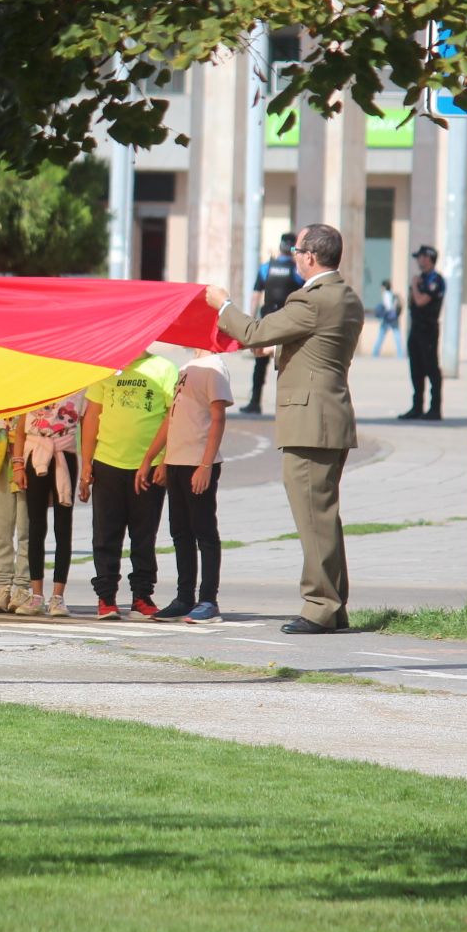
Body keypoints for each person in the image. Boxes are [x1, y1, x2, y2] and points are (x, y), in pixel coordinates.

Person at [207, 222, 364, 634]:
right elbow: (315, 344)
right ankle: (334, 603)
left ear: (310, 256)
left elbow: (252, 331)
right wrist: (278, 345)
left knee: (313, 516)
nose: (293, 257)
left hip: (309, 421)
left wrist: (223, 306)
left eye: (296, 250)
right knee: (324, 515)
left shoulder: (311, 299)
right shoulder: (344, 296)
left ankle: (320, 605)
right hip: (330, 417)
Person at [81, 353, 178, 619]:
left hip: (148, 466)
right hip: (107, 462)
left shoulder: (165, 368)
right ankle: (106, 597)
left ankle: (142, 597)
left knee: (144, 535)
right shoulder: (104, 365)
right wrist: (86, 463)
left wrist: (164, 462)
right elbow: (92, 416)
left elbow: (174, 416)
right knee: (105, 534)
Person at [139, 351, 233, 622]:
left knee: (204, 532)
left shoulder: (214, 367)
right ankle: (184, 597)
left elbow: (218, 418)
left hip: (198, 463)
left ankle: (208, 599)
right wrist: (154, 459)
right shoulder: (186, 367)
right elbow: (172, 418)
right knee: (180, 532)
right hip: (176, 461)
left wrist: (205, 466)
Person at [17, 393, 84, 617]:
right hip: (35, 453)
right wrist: (18, 465)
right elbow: (20, 428)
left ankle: (58, 595)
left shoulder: (80, 387)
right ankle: (36, 594)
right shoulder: (37, 383)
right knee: (36, 525)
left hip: (65, 453)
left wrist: (87, 469)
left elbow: (89, 422)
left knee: (63, 526)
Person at [239, 233, 303, 414]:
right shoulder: (297, 270)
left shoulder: (267, 267)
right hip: (289, 320)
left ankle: (254, 402)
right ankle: (290, 407)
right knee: (289, 362)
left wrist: (251, 319)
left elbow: (255, 295)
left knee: (260, 362)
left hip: (267, 319)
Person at [0, 414, 29, 613]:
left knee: (26, 528)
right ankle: (2, 586)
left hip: (31, 451)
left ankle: (23, 587)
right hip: (2, 450)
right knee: (1, 526)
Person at [400, 245, 446, 420]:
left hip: (428, 329)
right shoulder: (421, 279)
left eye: (420, 257)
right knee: (416, 368)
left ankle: (435, 408)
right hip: (416, 328)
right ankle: (417, 406)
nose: (418, 260)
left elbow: (420, 301)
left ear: (428, 258)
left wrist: (414, 286)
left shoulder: (435, 280)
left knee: (431, 367)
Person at [371, 280, 402, 357]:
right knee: (397, 335)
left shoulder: (386, 294)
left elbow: (388, 307)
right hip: (394, 318)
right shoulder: (392, 294)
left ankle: (375, 352)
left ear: (384, 287)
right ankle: (400, 353)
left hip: (387, 318)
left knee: (381, 335)